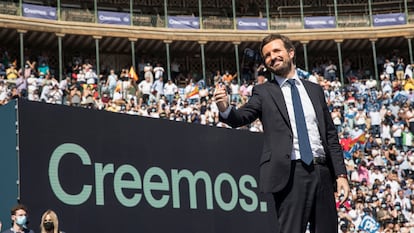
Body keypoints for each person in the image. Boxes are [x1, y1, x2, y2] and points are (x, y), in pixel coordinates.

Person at [214, 33, 350, 233]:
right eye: (267, 55)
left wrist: (340, 174)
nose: (272, 57)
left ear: (291, 53)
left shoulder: (314, 90)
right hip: (290, 174)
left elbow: (330, 136)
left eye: (276, 51)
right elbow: (240, 117)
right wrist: (225, 108)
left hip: (322, 172)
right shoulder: (263, 92)